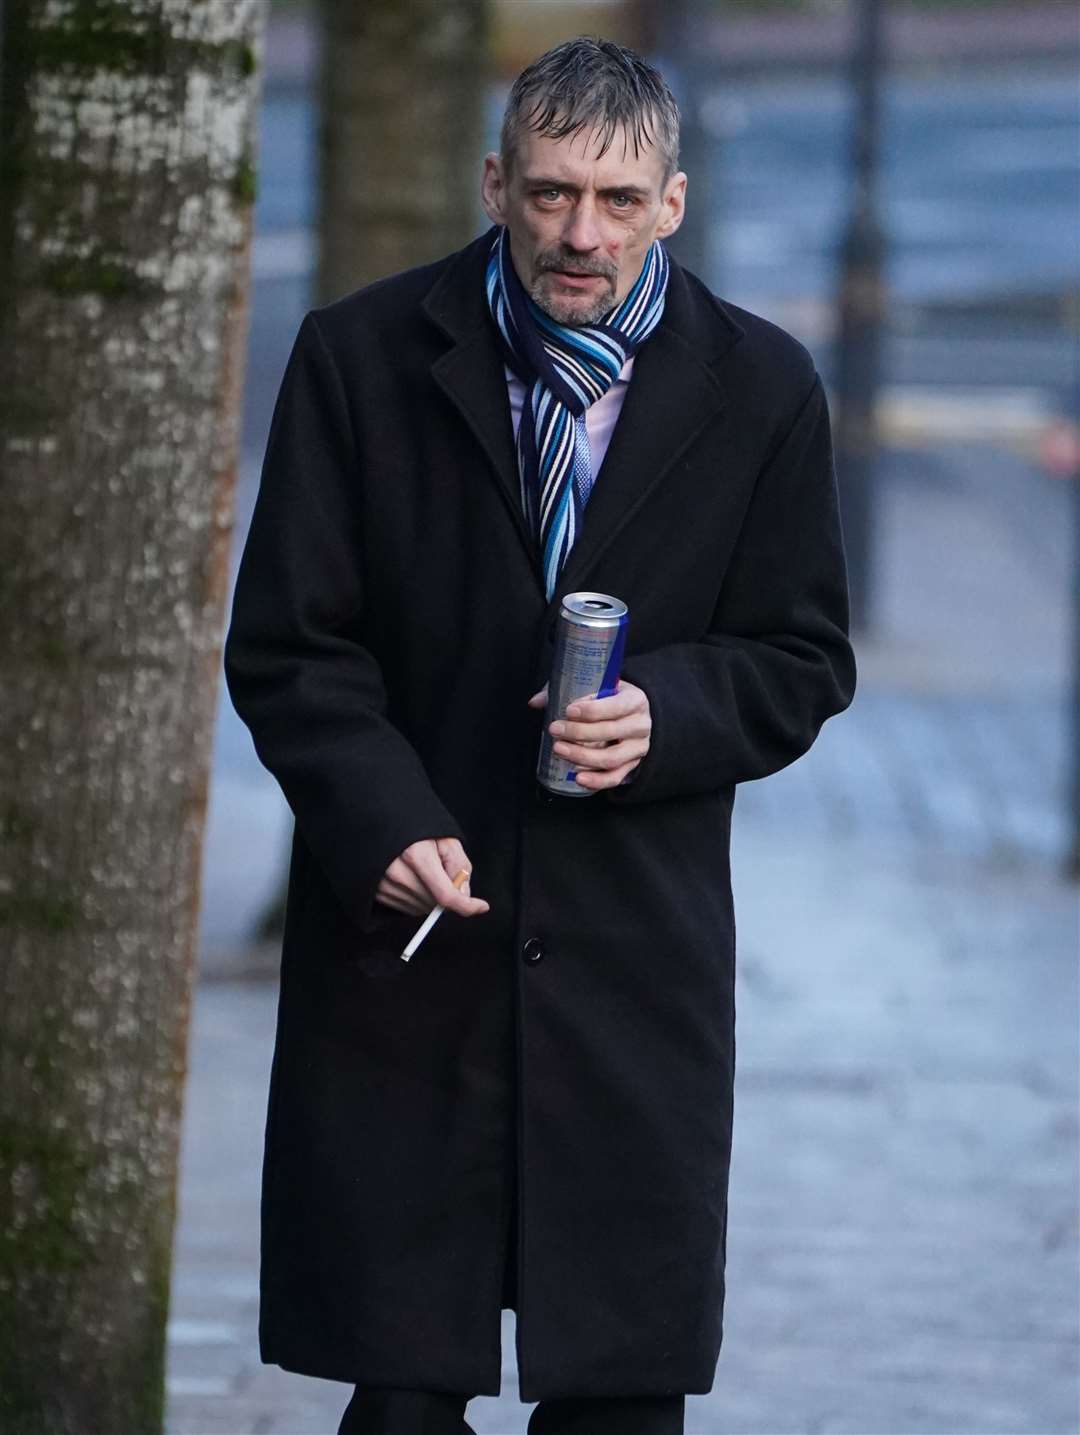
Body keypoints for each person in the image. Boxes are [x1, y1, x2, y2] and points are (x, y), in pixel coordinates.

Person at [223, 35, 856, 1435]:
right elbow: (290, 645)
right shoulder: (359, 359)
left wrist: (670, 714)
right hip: (411, 951)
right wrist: (380, 820)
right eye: (555, 192)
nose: (583, 234)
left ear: (672, 204)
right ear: (495, 181)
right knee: (397, 1397)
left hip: (638, 960)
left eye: (619, 201)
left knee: (618, 1399)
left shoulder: (763, 389)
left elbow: (805, 656)